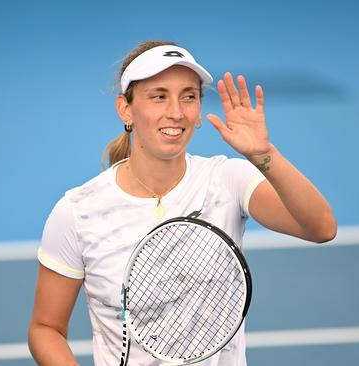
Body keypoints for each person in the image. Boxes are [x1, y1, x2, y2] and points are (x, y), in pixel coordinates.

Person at [28, 40, 337, 365]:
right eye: (158, 96)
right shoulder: (78, 212)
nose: (176, 112)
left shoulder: (228, 180)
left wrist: (264, 155)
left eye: (188, 96)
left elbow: (320, 227)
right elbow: (46, 328)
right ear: (126, 109)